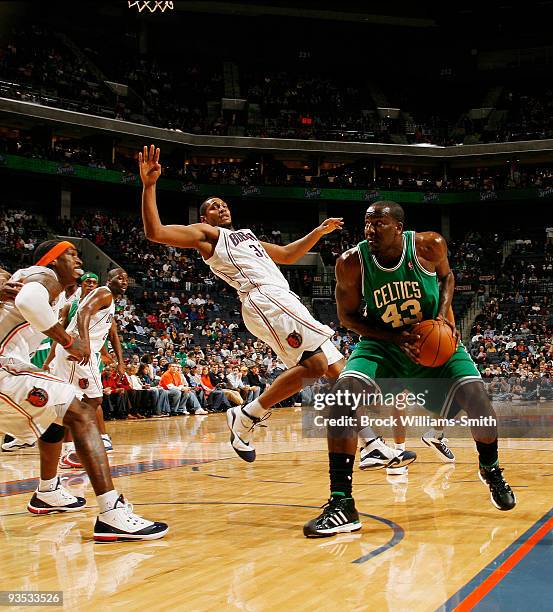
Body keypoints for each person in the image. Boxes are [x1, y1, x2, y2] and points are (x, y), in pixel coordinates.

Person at [139, 146, 411, 469]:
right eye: (214, 206)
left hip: (283, 298)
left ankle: (253, 416)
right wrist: (149, 185)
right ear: (204, 218)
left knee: (329, 368)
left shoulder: (247, 236)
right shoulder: (208, 236)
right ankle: (367, 442)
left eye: (224, 204)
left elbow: (286, 255)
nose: (222, 208)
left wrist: (318, 232)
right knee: (326, 366)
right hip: (263, 298)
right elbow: (155, 233)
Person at [303, 201, 515, 537]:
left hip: (432, 338)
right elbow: (347, 317)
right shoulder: (351, 263)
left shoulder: (430, 245)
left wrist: (445, 314)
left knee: (479, 401)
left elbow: (447, 278)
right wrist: (394, 337)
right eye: (367, 224)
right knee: (340, 399)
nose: (370, 230)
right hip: (384, 343)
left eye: (379, 224)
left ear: (399, 227)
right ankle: (342, 503)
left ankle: (490, 468)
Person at [0, 240, 167, 540]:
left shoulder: (42, 284)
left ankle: (48, 491)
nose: (79, 259)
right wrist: (67, 341)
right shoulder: (44, 276)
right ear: (52, 261)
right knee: (80, 411)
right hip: (4, 367)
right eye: (72, 255)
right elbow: (28, 302)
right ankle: (111, 513)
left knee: (55, 419)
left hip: (12, 365)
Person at [46, 269, 129, 468]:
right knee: (92, 399)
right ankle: (68, 443)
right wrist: (83, 343)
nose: (124, 281)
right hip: (78, 350)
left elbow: (111, 334)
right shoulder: (104, 293)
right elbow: (82, 313)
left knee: (75, 400)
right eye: (120, 277)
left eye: (127, 278)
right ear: (109, 280)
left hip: (81, 350)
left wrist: (119, 360)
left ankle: (67, 448)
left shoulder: (109, 300)